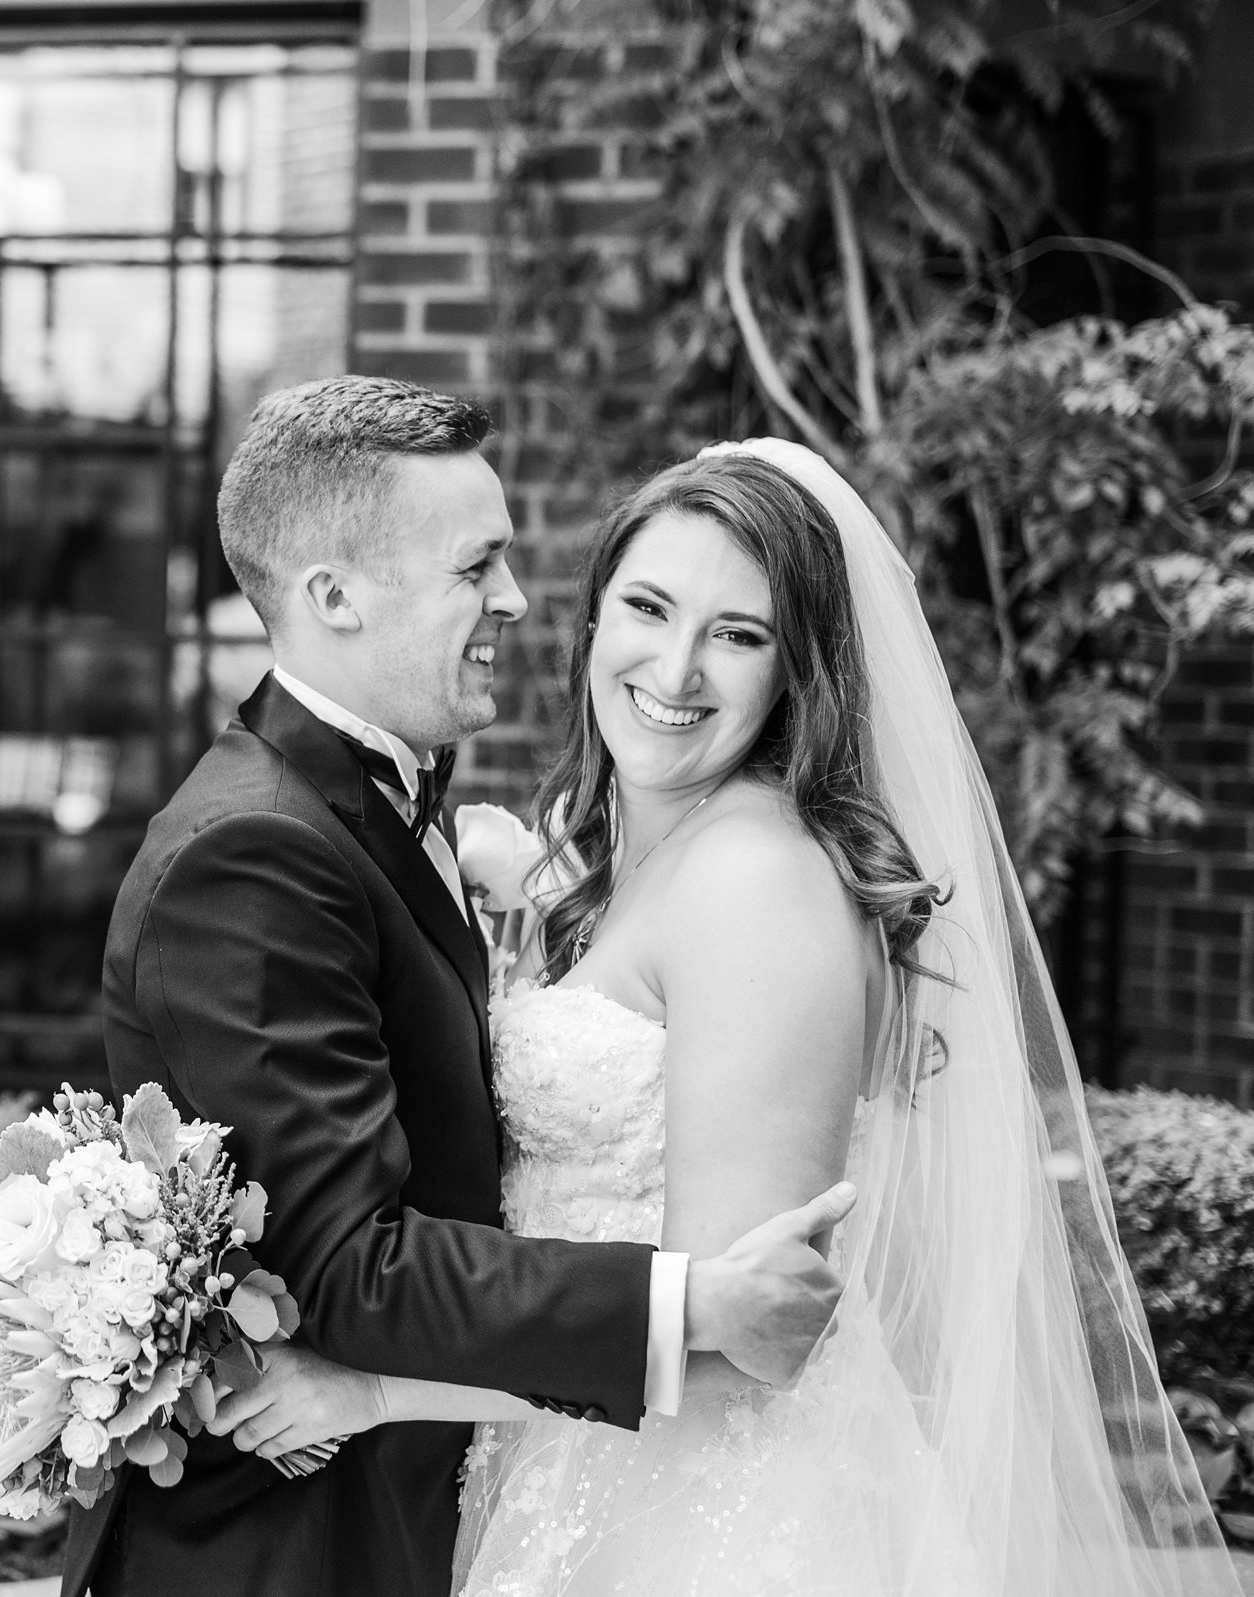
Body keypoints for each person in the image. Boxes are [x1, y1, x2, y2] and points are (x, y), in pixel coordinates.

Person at [208, 439, 1240, 1595]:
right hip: (563, 1459)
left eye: (740, 636)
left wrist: (374, 1390)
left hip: (704, 1517)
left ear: (794, 673)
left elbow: (742, 1349)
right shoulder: (624, 854)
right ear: (594, 621)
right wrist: (496, 855)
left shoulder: (760, 882)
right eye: (648, 607)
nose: (678, 667)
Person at [59, 380, 863, 1597]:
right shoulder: (257, 849)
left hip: (588, 1493)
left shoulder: (403, 814)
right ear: (333, 596)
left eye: (741, 633)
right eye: (476, 565)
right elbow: (350, 1264)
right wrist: (690, 1302)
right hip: (289, 1544)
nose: (515, 599)